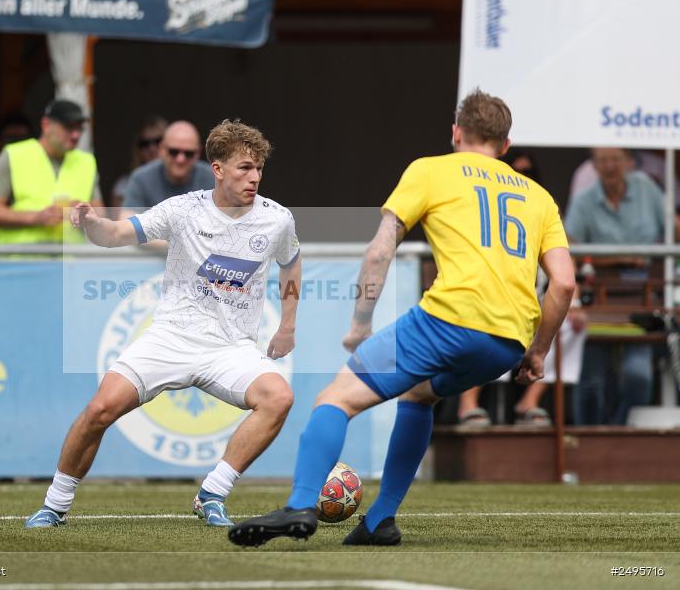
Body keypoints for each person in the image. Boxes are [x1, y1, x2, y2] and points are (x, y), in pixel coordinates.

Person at [228, 90, 575, 547]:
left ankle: (300, 504)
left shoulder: (431, 169)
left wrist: (360, 322)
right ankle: (380, 521)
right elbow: (565, 284)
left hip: (448, 320)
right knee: (419, 394)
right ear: (505, 145)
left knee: (335, 400)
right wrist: (537, 351)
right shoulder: (539, 196)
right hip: (505, 342)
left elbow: (380, 248)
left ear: (456, 132)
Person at [25, 119, 301, 529]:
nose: (254, 177)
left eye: (259, 168)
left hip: (230, 348)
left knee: (279, 398)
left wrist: (287, 327)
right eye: (244, 167)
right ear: (218, 169)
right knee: (100, 409)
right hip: (171, 338)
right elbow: (117, 234)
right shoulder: (182, 209)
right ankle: (55, 504)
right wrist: (93, 223)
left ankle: (212, 493)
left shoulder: (277, 219)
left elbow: (291, 262)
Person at [458, 149, 588, 427]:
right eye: (516, 172)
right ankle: (468, 403)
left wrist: (574, 306)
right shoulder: (485, 206)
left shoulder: (543, 206)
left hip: (534, 302)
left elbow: (566, 272)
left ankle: (530, 400)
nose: (522, 178)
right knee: (490, 321)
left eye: (529, 175)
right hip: (486, 297)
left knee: (570, 323)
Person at [565, 147, 670, 425]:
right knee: (592, 380)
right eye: (602, 160)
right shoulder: (584, 200)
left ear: (628, 162)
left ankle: (618, 432)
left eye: (615, 159)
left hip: (643, 298)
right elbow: (568, 252)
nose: (609, 166)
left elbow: (673, 227)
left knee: (639, 376)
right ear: (594, 166)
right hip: (599, 299)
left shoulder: (647, 189)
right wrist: (573, 302)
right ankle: (588, 439)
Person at [0, 99, 103, 244]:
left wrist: (85, 214)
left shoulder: (86, 162)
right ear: (46, 125)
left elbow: (101, 215)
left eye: (80, 128)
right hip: (24, 262)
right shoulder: (13, 155)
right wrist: (35, 217)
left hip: (71, 263)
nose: (75, 135)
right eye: (68, 127)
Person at [120, 120, 215, 211]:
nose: (180, 159)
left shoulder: (214, 179)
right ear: (162, 149)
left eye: (188, 153)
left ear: (198, 152)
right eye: (173, 152)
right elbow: (127, 222)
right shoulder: (141, 179)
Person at [110, 115, 168, 209]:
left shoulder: (182, 181)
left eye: (158, 141)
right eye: (144, 143)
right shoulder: (124, 186)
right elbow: (117, 222)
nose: (151, 149)